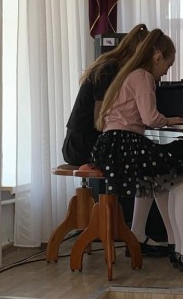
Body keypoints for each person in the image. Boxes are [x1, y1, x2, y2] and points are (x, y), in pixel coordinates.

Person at [92, 29, 183, 272]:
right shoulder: (143, 76)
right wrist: (170, 120)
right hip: (124, 142)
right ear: (157, 56)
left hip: (112, 143)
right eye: (167, 65)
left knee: (159, 185)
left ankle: (171, 243)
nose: (165, 72)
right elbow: (150, 119)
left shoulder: (128, 73)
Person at [62, 23, 169, 256]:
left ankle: (142, 234)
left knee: (148, 166)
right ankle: (145, 234)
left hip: (88, 141)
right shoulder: (110, 68)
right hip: (81, 144)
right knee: (152, 167)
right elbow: (99, 119)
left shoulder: (115, 66)